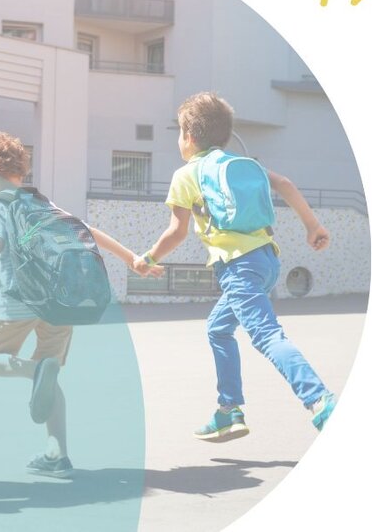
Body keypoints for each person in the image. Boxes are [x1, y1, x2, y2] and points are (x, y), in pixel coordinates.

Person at [0, 131, 162, 478]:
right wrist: (132, 258)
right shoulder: (41, 202)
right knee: (50, 368)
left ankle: (34, 371)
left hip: (17, 301)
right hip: (60, 302)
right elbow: (86, 230)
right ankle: (57, 453)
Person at [133, 91, 336, 442]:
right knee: (217, 328)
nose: (179, 140)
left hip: (239, 268)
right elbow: (285, 184)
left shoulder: (188, 174)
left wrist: (148, 258)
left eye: (180, 133)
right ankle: (229, 411)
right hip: (266, 260)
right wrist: (312, 225)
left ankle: (319, 400)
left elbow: (176, 232)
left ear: (190, 137)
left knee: (267, 335)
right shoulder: (246, 163)